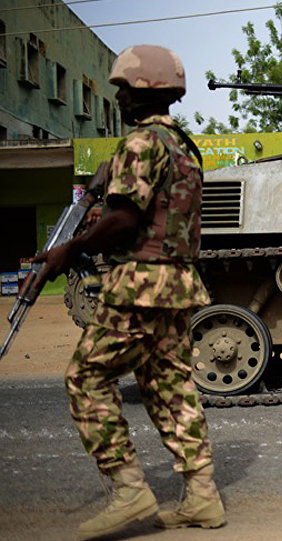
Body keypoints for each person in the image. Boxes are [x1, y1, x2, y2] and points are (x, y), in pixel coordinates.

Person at [31, 44, 226, 539]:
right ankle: (202, 498)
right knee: (171, 388)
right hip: (178, 284)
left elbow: (124, 219)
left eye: (122, 88)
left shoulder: (140, 144)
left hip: (139, 285)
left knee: (87, 378)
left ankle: (128, 488)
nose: (118, 98)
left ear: (145, 90)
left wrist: (68, 250)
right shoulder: (184, 145)